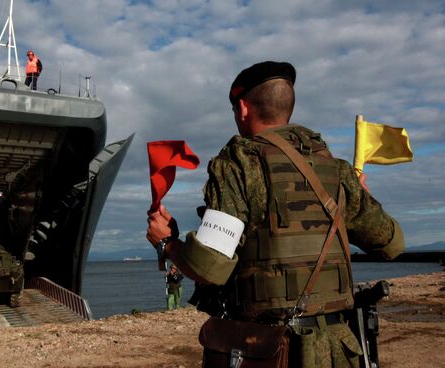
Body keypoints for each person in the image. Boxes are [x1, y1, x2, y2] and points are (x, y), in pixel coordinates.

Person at [146, 61, 404, 367]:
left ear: (242, 108)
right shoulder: (337, 170)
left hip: (267, 350)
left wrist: (168, 243)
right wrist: (361, 199)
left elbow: (210, 266)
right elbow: (391, 243)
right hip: (339, 350)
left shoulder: (238, 164)